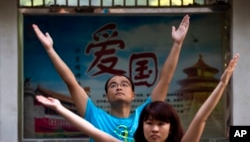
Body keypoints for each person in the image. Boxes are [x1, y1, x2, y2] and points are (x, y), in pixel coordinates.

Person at [32, 14, 190, 141]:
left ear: (133, 94)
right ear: (107, 95)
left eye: (124, 84)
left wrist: (177, 45)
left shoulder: (144, 116)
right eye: (113, 85)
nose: (119, 87)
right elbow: (71, 82)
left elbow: (165, 79)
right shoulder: (94, 115)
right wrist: (50, 49)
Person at [36, 53, 239, 142]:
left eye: (161, 124)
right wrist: (60, 108)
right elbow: (89, 127)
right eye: (150, 124)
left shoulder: (145, 112)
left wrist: (222, 83)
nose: (154, 128)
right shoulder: (96, 117)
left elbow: (200, 118)